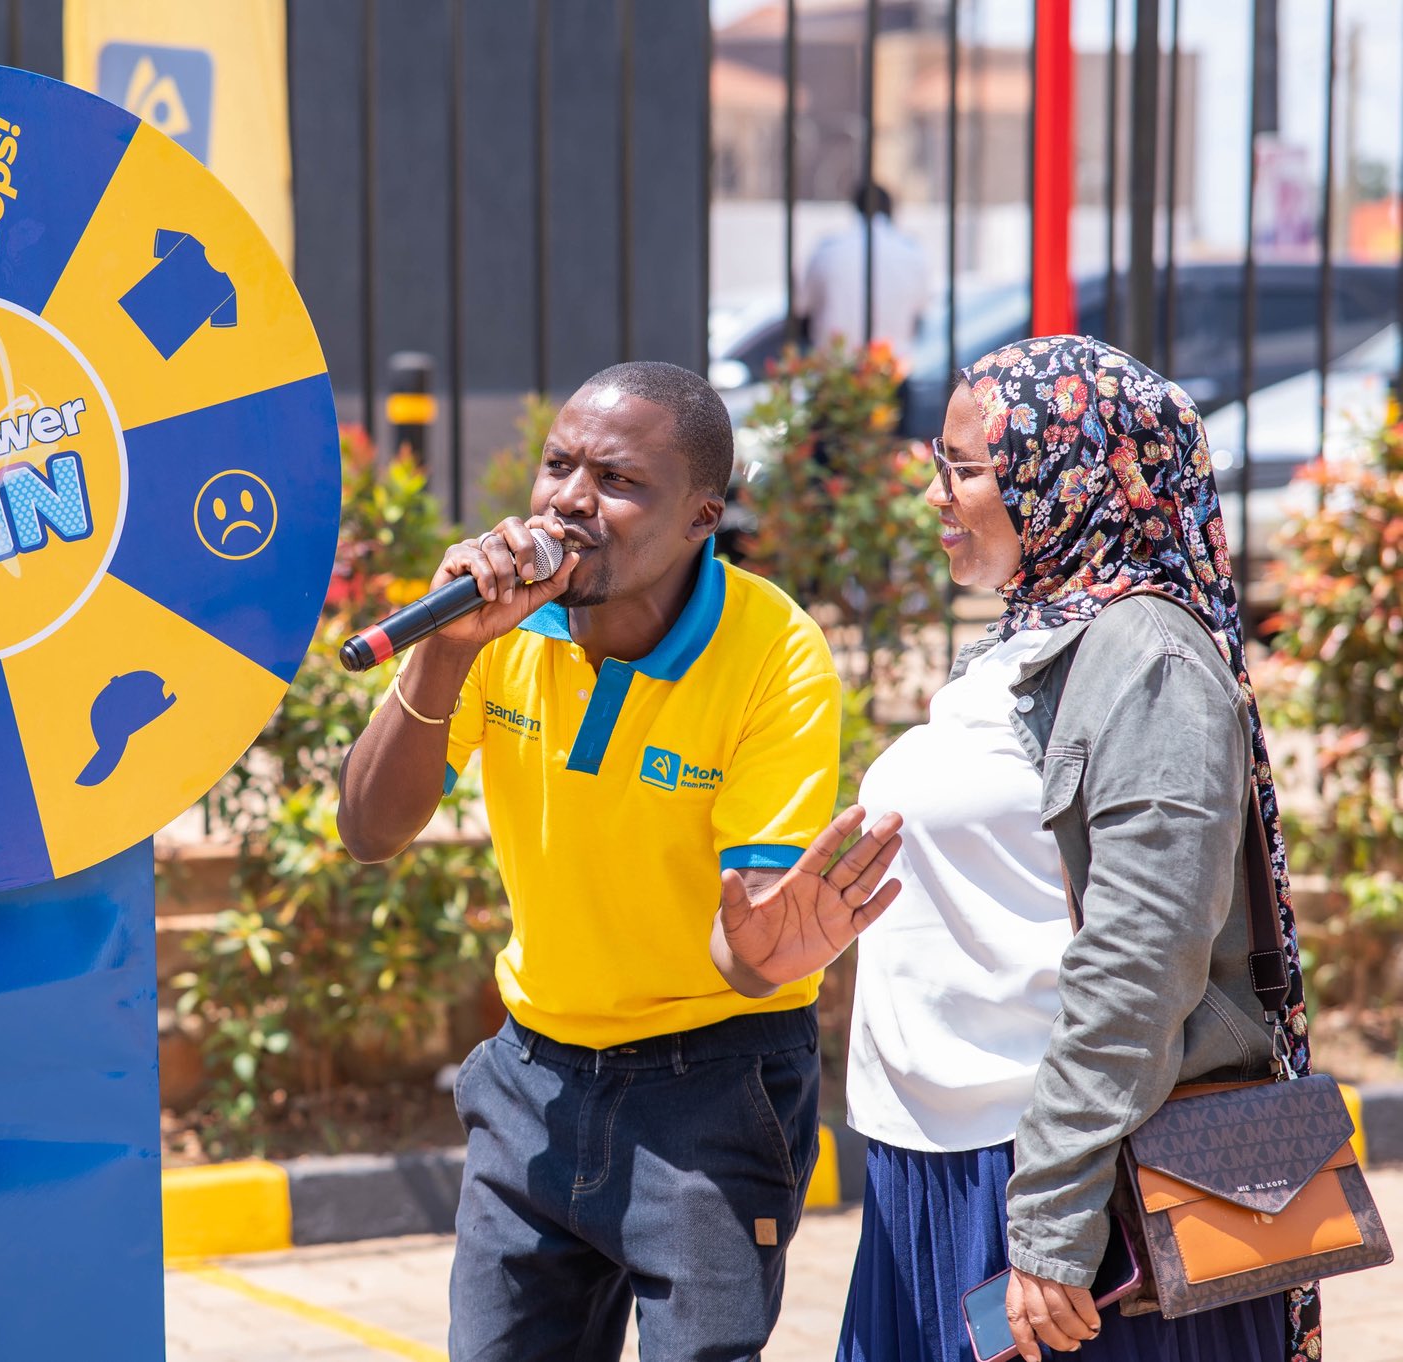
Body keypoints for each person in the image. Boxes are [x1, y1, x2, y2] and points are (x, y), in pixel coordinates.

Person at [713, 336, 1311, 1361]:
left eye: (964, 467)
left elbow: (1141, 960)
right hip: (934, 1169)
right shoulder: (1024, 639)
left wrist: (1049, 1226)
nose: (934, 494)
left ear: (1067, 471)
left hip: (1074, 1187)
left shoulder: (1148, 659)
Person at [337, 360, 903, 1360]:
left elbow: (749, 948)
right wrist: (445, 651)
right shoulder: (497, 627)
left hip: (710, 1087)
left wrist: (769, 949)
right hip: (534, 1076)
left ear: (701, 517)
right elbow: (369, 830)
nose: (568, 500)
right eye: (558, 465)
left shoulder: (773, 653)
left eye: (617, 481)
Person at [797, 180, 930, 371]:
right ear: (891, 210)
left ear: (855, 208)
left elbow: (803, 308)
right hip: (890, 369)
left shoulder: (827, 250)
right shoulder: (912, 252)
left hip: (835, 369)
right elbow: (921, 312)